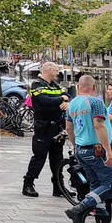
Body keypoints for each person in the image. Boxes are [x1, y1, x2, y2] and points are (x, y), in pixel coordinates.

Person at [64, 75, 112, 223]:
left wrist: (76, 147)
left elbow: (69, 128)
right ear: (94, 87)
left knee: (97, 185)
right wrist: (108, 150)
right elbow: (99, 125)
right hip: (96, 150)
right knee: (111, 184)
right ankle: (79, 209)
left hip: (82, 149)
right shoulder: (96, 102)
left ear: (78, 86)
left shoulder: (72, 104)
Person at [23, 62, 70, 198]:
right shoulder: (37, 85)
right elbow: (43, 101)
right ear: (49, 70)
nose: (57, 72)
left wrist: (66, 101)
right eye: (56, 70)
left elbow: (68, 95)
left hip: (57, 127)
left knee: (57, 159)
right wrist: (61, 99)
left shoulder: (56, 86)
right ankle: (28, 184)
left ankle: (58, 186)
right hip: (43, 127)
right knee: (39, 157)